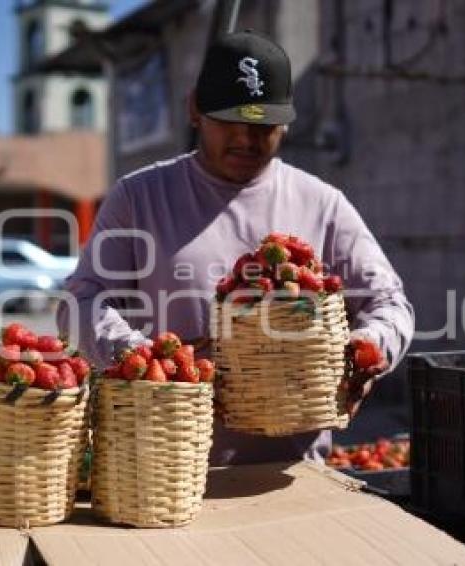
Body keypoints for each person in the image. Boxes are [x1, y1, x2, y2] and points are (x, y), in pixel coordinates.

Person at [57, 30, 414, 465]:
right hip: (169, 472)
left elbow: (390, 302)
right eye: (229, 120)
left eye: (262, 125)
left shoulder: (321, 204)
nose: (246, 139)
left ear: (285, 122)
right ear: (194, 109)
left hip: (295, 475)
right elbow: (80, 301)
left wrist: (368, 346)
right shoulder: (139, 198)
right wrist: (135, 353)